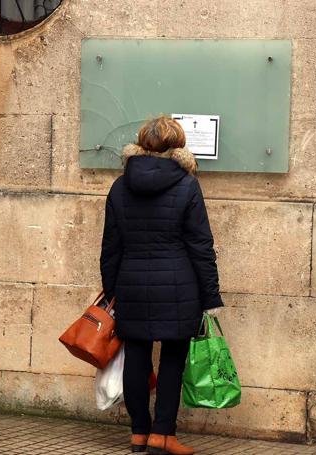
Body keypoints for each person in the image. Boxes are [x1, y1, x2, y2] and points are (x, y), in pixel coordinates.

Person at [100, 115, 224, 455]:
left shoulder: (119, 186)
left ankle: (139, 433)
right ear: (179, 144)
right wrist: (210, 296)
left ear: (142, 143)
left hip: (132, 284)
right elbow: (200, 245)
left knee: (136, 357)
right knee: (173, 359)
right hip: (179, 285)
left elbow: (111, 245)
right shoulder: (187, 185)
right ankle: (162, 434)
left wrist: (112, 290)